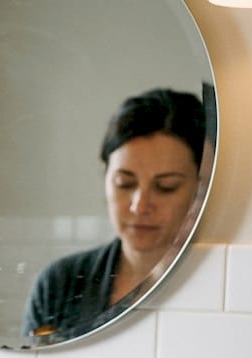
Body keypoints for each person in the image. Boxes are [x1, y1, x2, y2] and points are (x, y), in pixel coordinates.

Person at [22, 87, 207, 344]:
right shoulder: (59, 283)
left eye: (166, 187)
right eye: (125, 183)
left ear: (201, 188)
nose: (139, 206)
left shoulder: (215, 289)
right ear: (105, 176)